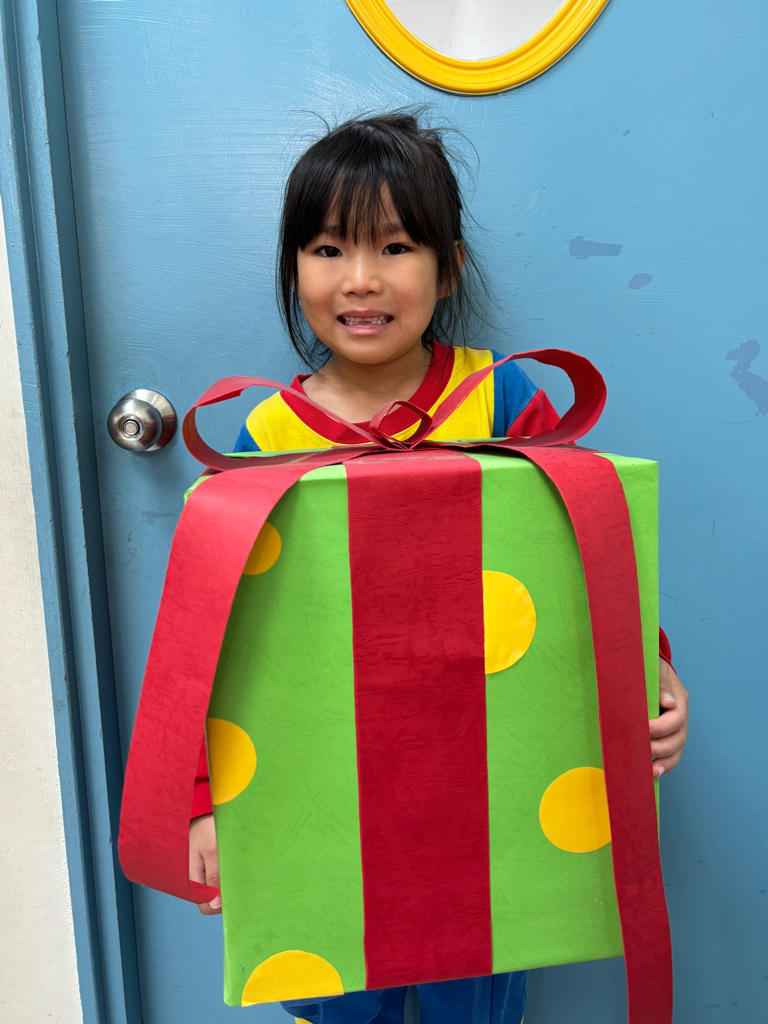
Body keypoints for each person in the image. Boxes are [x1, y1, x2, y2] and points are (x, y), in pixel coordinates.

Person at [188, 110, 689, 1024]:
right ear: (294, 269)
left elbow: (585, 554)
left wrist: (649, 671)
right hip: (327, 797)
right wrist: (204, 801)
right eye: (328, 249)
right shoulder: (267, 434)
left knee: (481, 980)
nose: (361, 278)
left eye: (395, 246)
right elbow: (223, 642)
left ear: (448, 266)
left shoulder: (502, 398)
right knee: (339, 991)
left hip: (488, 799)